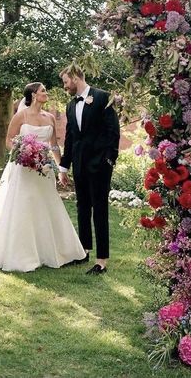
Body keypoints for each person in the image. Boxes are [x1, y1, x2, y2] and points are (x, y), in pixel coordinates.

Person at [0, 82, 86, 272]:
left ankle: (52, 250)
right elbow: (9, 140)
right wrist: (24, 153)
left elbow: (53, 146)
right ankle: (20, 252)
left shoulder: (51, 118)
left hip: (43, 169)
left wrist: (61, 168)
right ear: (33, 95)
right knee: (22, 205)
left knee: (46, 205)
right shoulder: (20, 116)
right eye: (43, 91)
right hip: (22, 168)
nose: (46, 93)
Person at [59, 64, 120, 275]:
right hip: (79, 163)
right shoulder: (70, 105)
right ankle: (83, 250)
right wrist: (64, 166)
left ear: (76, 78)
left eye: (66, 82)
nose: (64, 86)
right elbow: (70, 137)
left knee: (100, 210)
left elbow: (113, 132)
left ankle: (101, 260)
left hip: (100, 164)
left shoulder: (103, 97)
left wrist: (109, 160)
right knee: (82, 207)